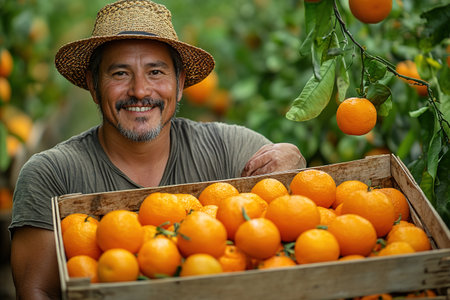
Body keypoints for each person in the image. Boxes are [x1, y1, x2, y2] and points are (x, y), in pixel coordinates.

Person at [9, 0, 306, 298]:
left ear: (179, 84)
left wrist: (294, 161)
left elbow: (297, 199)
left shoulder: (226, 148)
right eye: (120, 74)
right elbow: (36, 292)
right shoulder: (51, 174)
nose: (140, 90)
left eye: (155, 72)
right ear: (93, 85)